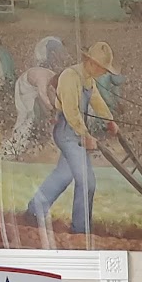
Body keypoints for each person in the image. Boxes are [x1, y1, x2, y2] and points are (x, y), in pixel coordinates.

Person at [26, 41, 119, 234]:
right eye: (103, 68)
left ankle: (34, 210)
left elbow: (96, 100)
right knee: (87, 182)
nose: (104, 72)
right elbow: (71, 112)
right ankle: (80, 230)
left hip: (74, 130)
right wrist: (85, 136)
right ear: (92, 63)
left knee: (63, 174)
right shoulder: (70, 77)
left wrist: (109, 120)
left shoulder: (88, 79)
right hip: (67, 131)